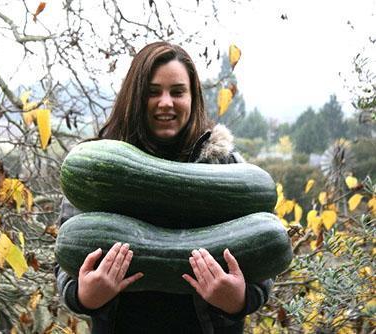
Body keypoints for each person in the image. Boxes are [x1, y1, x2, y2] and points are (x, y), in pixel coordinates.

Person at [55, 41, 273, 334]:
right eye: (153, 92)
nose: (166, 102)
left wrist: (239, 300)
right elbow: (66, 259)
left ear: (193, 97)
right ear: (135, 97)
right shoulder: (98, 168)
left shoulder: (228, 168)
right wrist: (84, 296)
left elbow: (265, 250)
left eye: (178, 92)